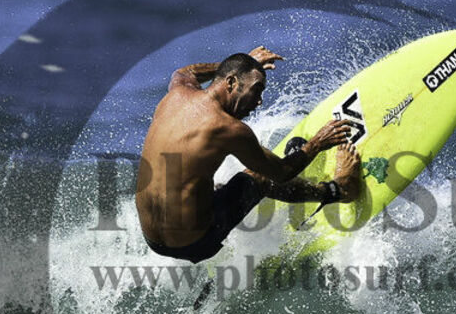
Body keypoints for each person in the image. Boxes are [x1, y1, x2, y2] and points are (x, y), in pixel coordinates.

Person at [135, 46, 362, 263]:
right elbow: (282, 172)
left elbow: (185, 71)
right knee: (260, 177)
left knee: (211, 183)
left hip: (152, 239)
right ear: (231, 82)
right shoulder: (227, 128)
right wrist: (317, 143)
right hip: (194, 243)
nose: (259, 101)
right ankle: (338, 191)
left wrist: (244, 63)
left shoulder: (177, 94)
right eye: (256, 90)